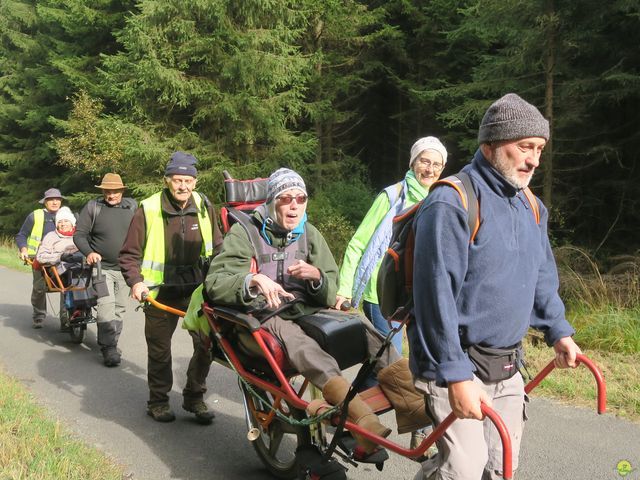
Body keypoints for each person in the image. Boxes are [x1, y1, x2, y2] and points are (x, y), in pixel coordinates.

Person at [409, 93, 581, 480]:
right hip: (453, 362)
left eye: (539, 149)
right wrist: (455, 375)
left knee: (502, 468)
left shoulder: (532, 205)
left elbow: (541, 276)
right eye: (524, 147)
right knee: (462, 472)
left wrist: (558, 331)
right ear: (490, 145)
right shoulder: (452, 202)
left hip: (506, 364)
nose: (534, 159)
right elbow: (435, 299)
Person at [205, 167, 430, 456]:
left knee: (364, 330)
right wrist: (253, 280)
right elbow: (215, 283)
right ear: (273, 201)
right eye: (286, 198)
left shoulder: (309, 233)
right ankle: (359, 419)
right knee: (300, 343)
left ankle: (412, 404)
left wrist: (317, 278)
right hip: (262, 315)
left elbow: (330, 282)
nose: (295, 205)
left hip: (303, 307)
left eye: (301, 198)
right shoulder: (244, 232)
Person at [119, 152, 223, 423]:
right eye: (177, 180)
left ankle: (194, 397)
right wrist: (136, 281)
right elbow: (129, 253)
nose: (183, 186)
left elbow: (220, 247)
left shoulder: (204, 205)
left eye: (188, 180)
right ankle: (158, 401)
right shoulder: (149, 208)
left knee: (206, 346)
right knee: (160, 351)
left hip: (197, 293)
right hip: (159, 293)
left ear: (195, 182)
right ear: (167, 181)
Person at [335, 136, 448, 355]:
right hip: (381, 292)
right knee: (392, 360)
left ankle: (362, 389)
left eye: (436, 164)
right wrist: (345, 289)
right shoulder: (391, 197)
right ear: (413, 163)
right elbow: (357, 243)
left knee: (389, 362)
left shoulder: (439, 200)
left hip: (415, 295)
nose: (429, 169)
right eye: (424, 161)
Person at [74, 173, 137, 367]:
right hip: (102, 269)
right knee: (105, 306)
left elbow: (143, 234)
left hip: (126, 268)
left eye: (115, 191)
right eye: (107, 191)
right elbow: (79, 235)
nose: (111, 195)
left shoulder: (133, 207)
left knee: (120, 308)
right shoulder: (94, 207)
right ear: (102, 191)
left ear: (122, 191)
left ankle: (113, 343)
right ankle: (108, 348)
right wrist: (89, 252)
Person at [16, 188, 66, 328]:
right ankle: (39, 315)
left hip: (62, 258)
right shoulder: (35, 216)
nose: (55, 202)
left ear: (61, 201)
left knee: (67, 287)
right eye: (51, 199)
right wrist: (24, 249)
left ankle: (66, 318)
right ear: (45, 202)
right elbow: (21, 235)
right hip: (39, 258)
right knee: (39, 288)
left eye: (57, 199)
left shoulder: (67, 215)